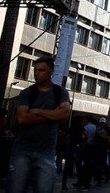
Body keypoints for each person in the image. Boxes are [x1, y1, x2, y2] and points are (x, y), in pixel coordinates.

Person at [6, 55, 71, 193]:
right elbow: (22, 119)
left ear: (51, 72)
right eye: (35, 70)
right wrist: (52, 115)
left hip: (46, 153)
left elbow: (65, 114)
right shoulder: (27, 93)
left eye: (41, 70)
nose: (37, 73)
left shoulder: (59, 92)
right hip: (22, 152)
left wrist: (36, 111)